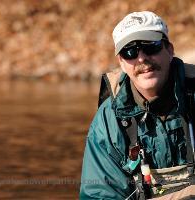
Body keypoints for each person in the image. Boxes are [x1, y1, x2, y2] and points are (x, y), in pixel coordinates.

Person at [79, 11, 195, 199]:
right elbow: (100, 194)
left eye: (151, 46)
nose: (141, 58)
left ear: (170, 50)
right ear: (122, 63)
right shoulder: (109, 120)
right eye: (129, 51)